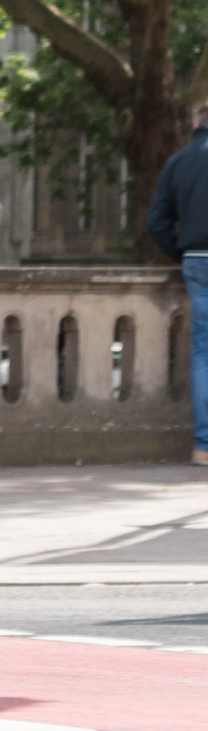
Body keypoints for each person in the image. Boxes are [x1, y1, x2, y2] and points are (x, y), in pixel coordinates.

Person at [144, 98, 208, 465]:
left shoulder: (178, 161)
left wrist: (179, 252)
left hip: (197, 261)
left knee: (203, 353)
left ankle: (203, 446)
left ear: (196, 125)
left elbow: (156, 222)